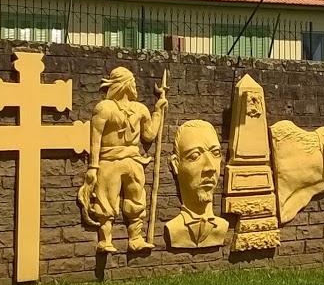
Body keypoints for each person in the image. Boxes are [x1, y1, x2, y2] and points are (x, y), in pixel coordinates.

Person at [78, 67, 167, 253]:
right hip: (109, 160)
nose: (135, 86)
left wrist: (157, 111)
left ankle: (136, 239)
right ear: (125, 84)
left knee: (136, 198)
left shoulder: (140, 109)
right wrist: (93, 167)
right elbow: (96, 139)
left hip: (134, 160)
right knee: (106, 202)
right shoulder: (104, 108)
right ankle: (105, 241)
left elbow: (149, 135)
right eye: (132, 82)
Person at [165, 120, 228, 248]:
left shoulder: (223, 226)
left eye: (216, 153)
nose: (210, 167)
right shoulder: (174, 229)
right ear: (176, 165)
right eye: (195, 156)